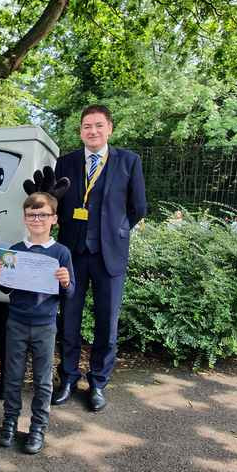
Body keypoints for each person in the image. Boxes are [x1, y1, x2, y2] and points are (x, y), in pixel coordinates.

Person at [53, 105, 147, 412]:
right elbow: (57, 204)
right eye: (86, 126)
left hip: (110, 256)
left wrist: (116, 231)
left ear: (109, 128)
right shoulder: (65, 162)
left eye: (97, 126)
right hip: (73, 254)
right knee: (69, 320)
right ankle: (67, 378)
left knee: (107, 323)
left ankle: (98, 382)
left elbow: (138, 208)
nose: (91, 131)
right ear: (80, 131)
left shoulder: (128, 161)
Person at [0, 192, 74, 454]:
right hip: (16, 321)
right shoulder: (16, 250)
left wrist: (66, 282)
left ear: (54, 219)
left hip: (45, 324)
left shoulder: (61, 252)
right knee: (12, 377)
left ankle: (38, 427)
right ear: (25, 218)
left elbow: (70, 293)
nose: (37, 219)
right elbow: (6, 289)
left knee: (42, 380)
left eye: (43, 214)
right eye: (31, 214)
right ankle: (10, 422)